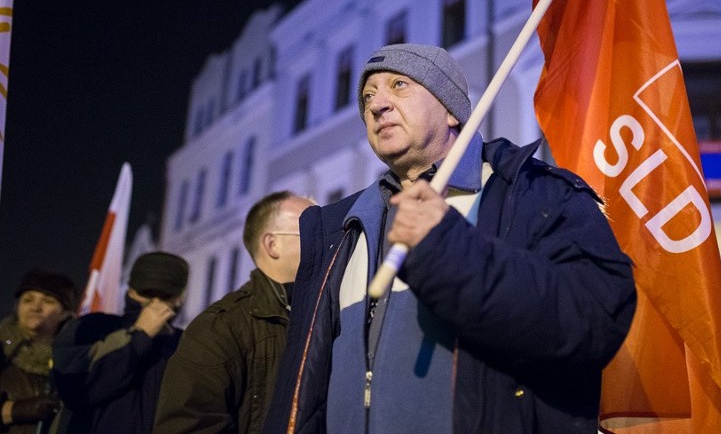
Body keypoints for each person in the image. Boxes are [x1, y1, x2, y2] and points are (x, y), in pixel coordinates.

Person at [263, 43, 637, 434]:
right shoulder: (337, 227)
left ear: (451, 110)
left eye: (399, 85)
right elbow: (302, 386)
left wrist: (450, 251)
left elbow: (594, 317)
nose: (377, 105)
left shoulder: (533, 193)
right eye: (368, 96)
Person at [153, 191, 315, 434]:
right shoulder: (220, 326)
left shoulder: (327, 315)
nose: (326, 240)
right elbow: (188, 425)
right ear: (272, 244)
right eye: (312, 231)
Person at [51, 251, 189, 434]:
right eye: (147, 293)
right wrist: (140, 336)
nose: (155, 304)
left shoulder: (186, 344)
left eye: (164, 296)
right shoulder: (89, 327)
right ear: (131, 291)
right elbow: (76, 388)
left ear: (179, 298)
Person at [0, 269, 78, 434]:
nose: (35, 307)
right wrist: (16, 410)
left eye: (48, 301)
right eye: (28, 300)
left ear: (64, 313)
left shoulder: (76, 360)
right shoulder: (2, 348)